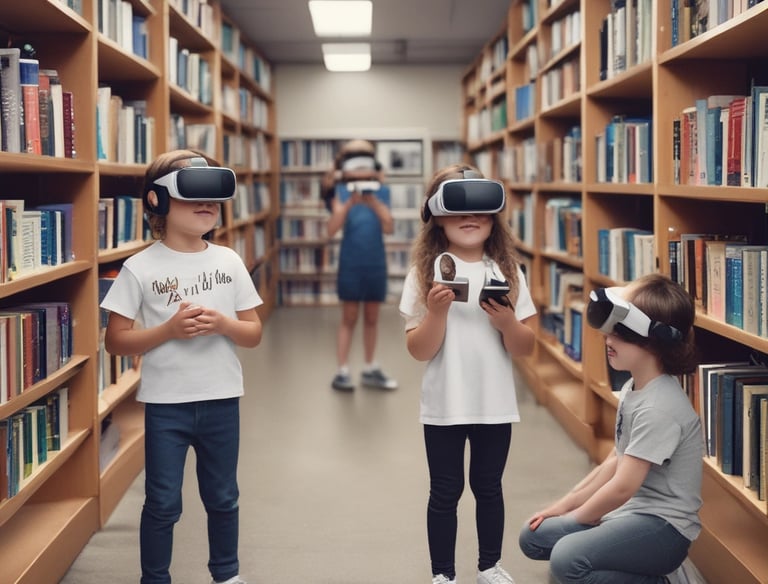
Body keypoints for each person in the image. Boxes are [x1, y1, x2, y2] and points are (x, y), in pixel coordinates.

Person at [100, 150, 263, 584]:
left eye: (213, 197)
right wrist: (168, 331)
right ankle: (155, 577)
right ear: (157, 201)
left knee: (224, 497)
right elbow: (115, 341)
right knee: (163, 502)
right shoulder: (139, 268)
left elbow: (253, 333)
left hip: (221, 400)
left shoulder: (228, 261)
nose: (207, 206)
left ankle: (226, 575)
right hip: (167, 406)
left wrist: (225, 324)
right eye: (194, 196)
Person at [398, 164, 537, 584]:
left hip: (494, 404)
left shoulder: (509, 273)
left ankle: (489, 566)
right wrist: (437, 313)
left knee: (489, 487)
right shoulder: (424, 275)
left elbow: (526, 346)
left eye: (479, 208)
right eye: (457, 208)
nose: (469, 218)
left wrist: (508, 324)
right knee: (444, 492)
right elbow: (418, 350)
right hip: (445, 404)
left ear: (494, 216)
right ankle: (443, 574)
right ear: (436, 215)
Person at [518, 273, 703, 584]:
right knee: (534, 537)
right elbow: (615, 461)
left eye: (620, 332)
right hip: (632, 512)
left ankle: (667, 580)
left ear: (654, 339)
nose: (607, 339)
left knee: (566, 559)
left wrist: (578, 519)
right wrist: (564, 506)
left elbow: (622, 487)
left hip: (663, 529)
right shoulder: (634, 387)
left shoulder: (660, 407)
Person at [322, 139, 398, 391]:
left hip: (375, 262)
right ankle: (342, 370)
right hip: (351, 263)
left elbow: (389, 227)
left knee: (373, 317)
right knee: (349, 316)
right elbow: (331, 230)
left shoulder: (383, 193)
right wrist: (348, 206)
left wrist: (374, 203)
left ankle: (370, 367)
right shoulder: (340, 193)